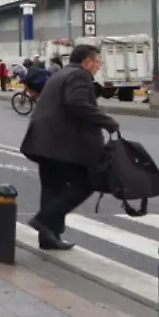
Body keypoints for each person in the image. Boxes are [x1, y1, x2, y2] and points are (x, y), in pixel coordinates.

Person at [20, 44, 118, 250]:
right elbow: (77, 104)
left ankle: (48, 237)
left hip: (43, 142)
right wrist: (106, 121)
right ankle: (45, 220)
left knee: (52, 187)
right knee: (86, 182)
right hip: (60, 145)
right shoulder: (80, 75)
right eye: (97, 62)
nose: (98, 66)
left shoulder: (61, 74)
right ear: (87, 61)